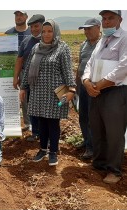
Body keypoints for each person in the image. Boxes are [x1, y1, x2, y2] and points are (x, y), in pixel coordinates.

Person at [20, 19, 76, 166]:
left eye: (49, 31)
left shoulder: (62, 48)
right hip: (38, 91)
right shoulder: (36, 48)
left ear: (55, 31)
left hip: (55, 93)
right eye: (44, 31)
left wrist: (71, 89)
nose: (46, 34)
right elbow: (27, 69)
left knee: (53, 123)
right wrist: (23, 87)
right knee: (41, 122)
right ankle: (42, 149)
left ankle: (53, 152)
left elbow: (67, 70)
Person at [82, 10, 127, 184]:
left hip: (114, 92)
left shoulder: (124, 39)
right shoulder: (101, 41)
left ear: (120, 20)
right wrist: (86, 81)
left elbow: (124, 67)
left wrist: (100, 84)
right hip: (95, 91)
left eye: (111, 18)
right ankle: (99, 163)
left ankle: (114, 170)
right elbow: (89, 64)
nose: (106, 22)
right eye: (104, 19)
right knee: (97, 128)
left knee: (114, 132)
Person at [13, 14, 45, 141]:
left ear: (43, 25)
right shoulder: (26, 41)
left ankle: (45, 134)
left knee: (43, 106)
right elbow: (19, 60)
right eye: (31, 27)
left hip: (44, 81)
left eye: (36, 26)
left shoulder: (48, 39)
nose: (34, 29)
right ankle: (35, 132)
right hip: (28, 79)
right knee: (31, 105)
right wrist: (16, 77)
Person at [76, 18, 101, 160]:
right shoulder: (84, 45)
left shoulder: (104, 44)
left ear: (98, 27)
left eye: (89, 28)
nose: (86, 31)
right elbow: (80, 65)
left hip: (96, 86)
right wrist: (76, 83)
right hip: (83, 86)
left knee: (93, 118)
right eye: (85, 29)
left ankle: (92, 148)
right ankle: (87, 141)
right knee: (83, 116)